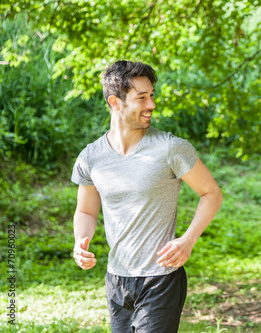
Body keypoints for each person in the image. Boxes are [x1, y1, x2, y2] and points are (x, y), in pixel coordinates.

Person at [71, 60, 223, 333]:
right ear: (115, 103)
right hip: (117, 279)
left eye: (151, 95)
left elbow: (211, 193)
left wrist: (188, 240)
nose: (151, 104)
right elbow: (86, 211)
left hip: (160, 280)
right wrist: (80, 242)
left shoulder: (170, 148)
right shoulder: (91, 157)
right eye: (142, 98)